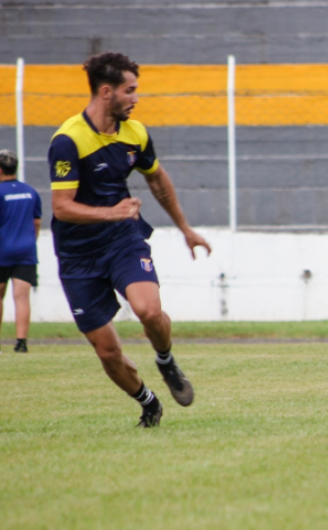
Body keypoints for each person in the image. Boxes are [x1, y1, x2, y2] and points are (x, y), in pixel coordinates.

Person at [48, 52, 211, 428]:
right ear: (107, 92)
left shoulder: (135, 133)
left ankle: (166, 360)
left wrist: (186, 229)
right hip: (78, 255)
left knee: (149, 311)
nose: (136, 98)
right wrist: (111, 211)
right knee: (107, 352)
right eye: (130, 90)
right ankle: (148, 402)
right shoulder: (68, 140)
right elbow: (62, 208)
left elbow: (156, 180)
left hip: (123, 240)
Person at [0, 150, 42, 354]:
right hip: (26, 250)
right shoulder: (30, 191)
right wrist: (29, 242)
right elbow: (37, 222)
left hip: (2, 251)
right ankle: (21, 343)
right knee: (22, 297)